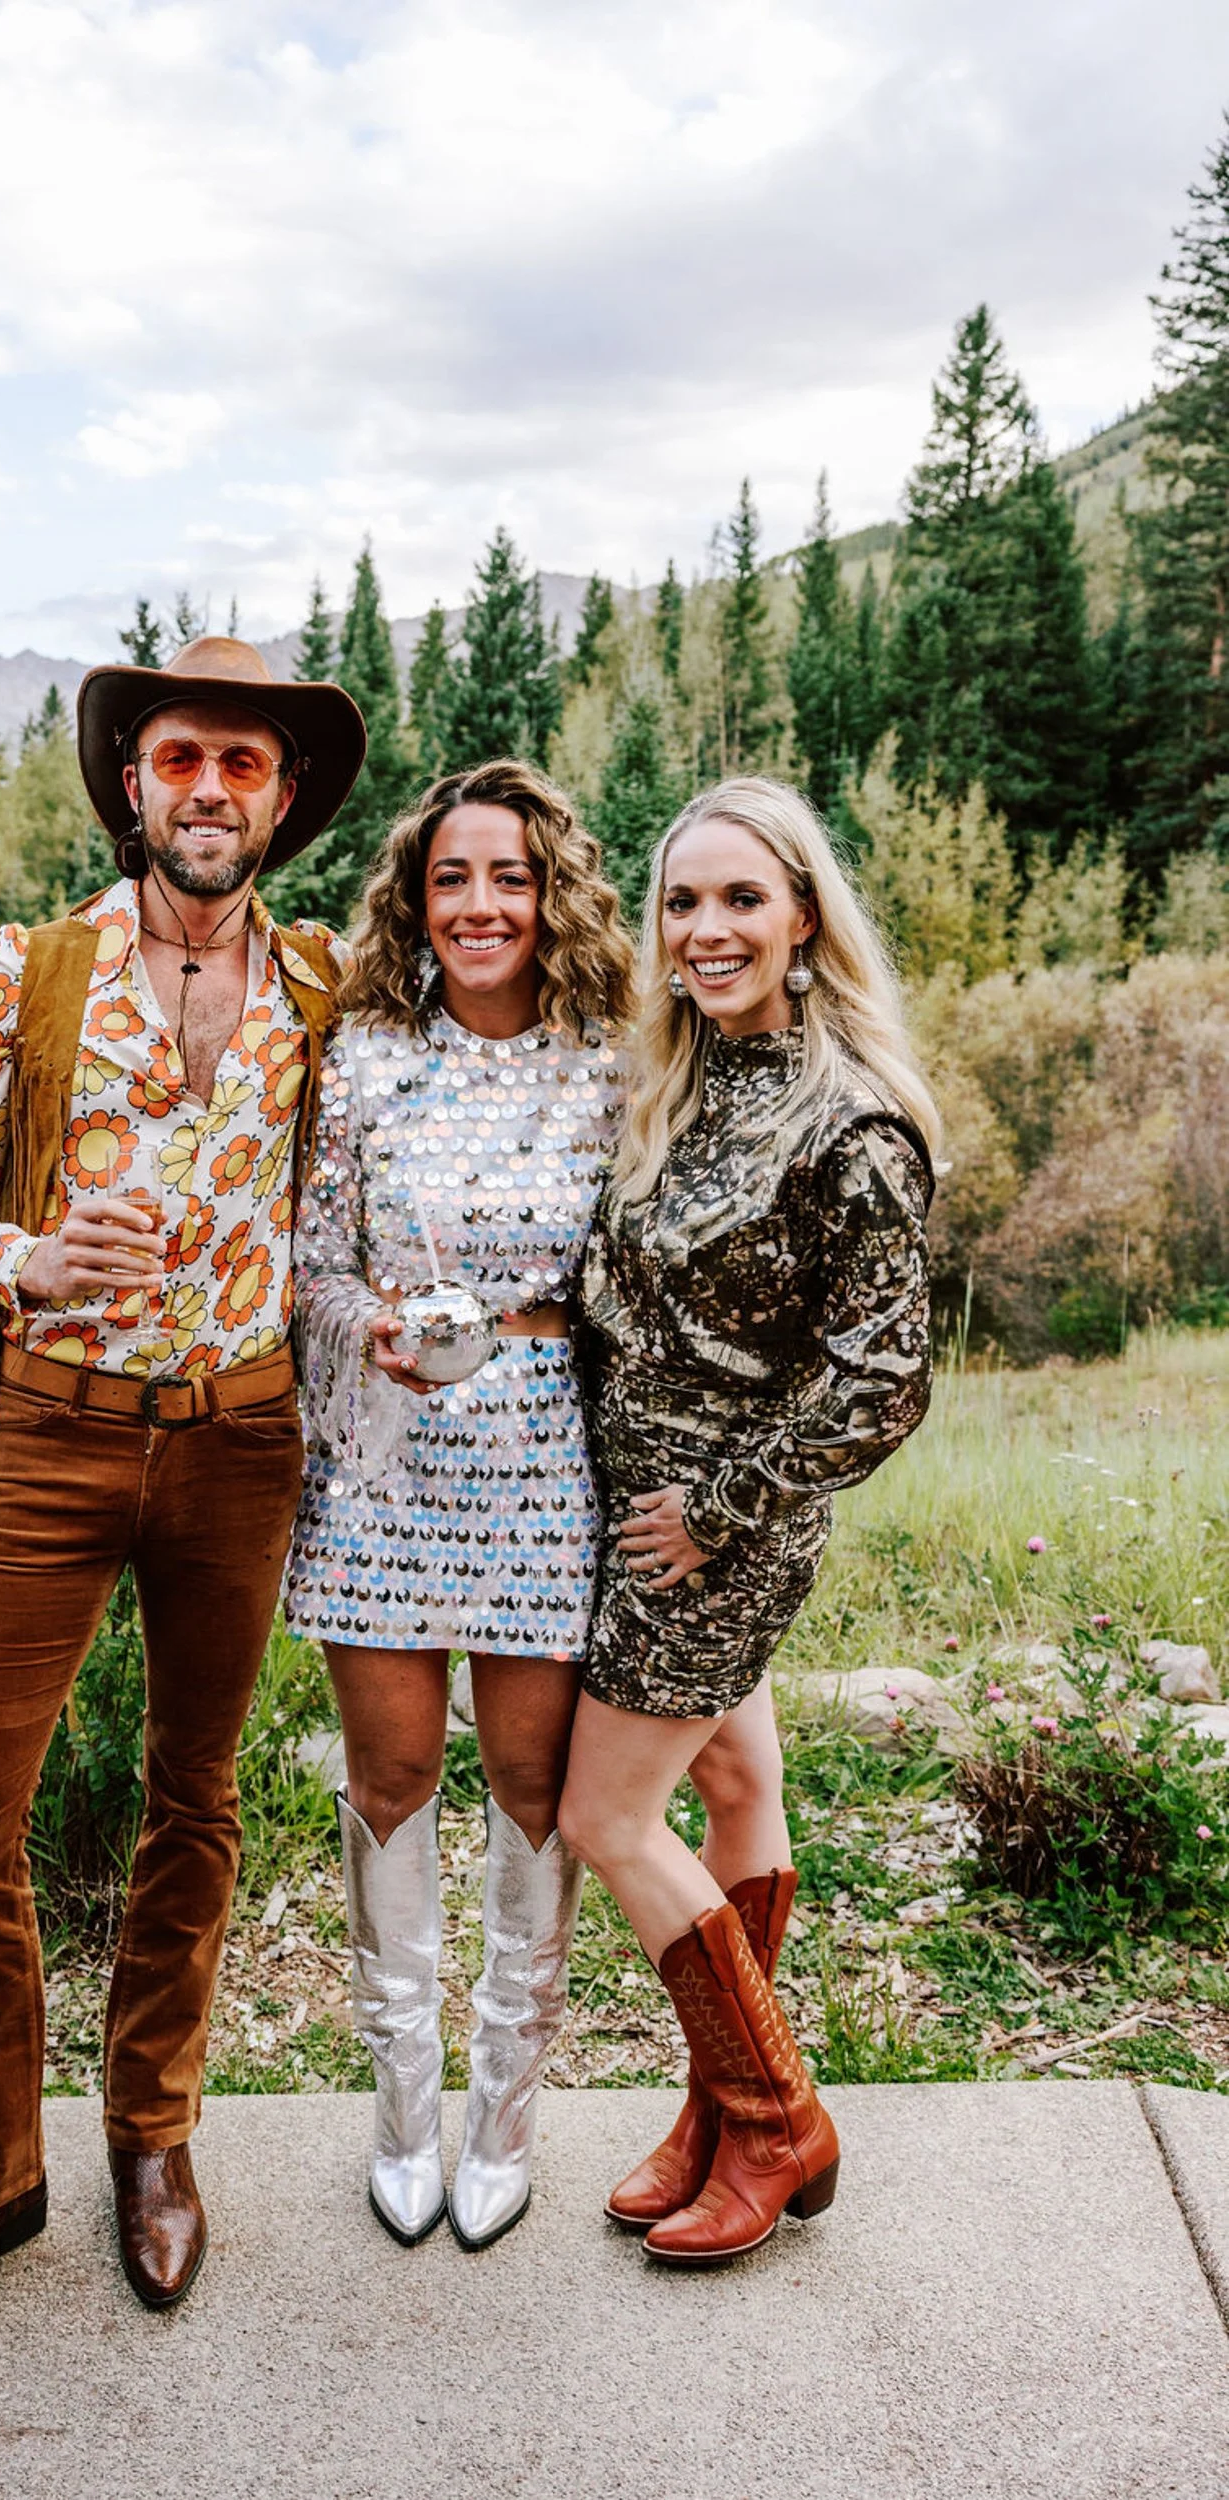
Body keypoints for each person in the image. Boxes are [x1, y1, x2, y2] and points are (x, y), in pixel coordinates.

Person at [0, 637, 366, 2343]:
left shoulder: (326, 984)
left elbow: (364, 1191)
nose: (210, 788)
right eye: (182, 757)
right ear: (134, 782)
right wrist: (35, 1255)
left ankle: (154, 2138)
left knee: (193, 1800)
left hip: (242, 1439)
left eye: (242, 764)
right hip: (52, 1438)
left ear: (281, 799)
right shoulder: (33, 969)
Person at [558, 775, 939, 2268]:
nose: (704, 929)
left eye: (740, 899)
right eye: (682, 901)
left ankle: (777, 2119)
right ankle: (720, 2110)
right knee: (733, 1782)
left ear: (803, 921)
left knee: (605, 1818)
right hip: (639, 1507)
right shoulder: (686, 1078)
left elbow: (882, 1381)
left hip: (713, 1532)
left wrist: (716, 1515)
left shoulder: (853, 1123)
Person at [285, 759, 635, 2249]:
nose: (481, 904)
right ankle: (403, 2115)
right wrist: (361, 1321)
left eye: (510, 877)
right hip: (384, 1462)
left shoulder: (614, 1061)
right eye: (452, 879)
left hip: (548, 1457)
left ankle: (505, 2113)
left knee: (531, 1792)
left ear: (551, 896)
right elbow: (311, 1261)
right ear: (414, 903)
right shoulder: (363, 1056)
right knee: (391, 1782)